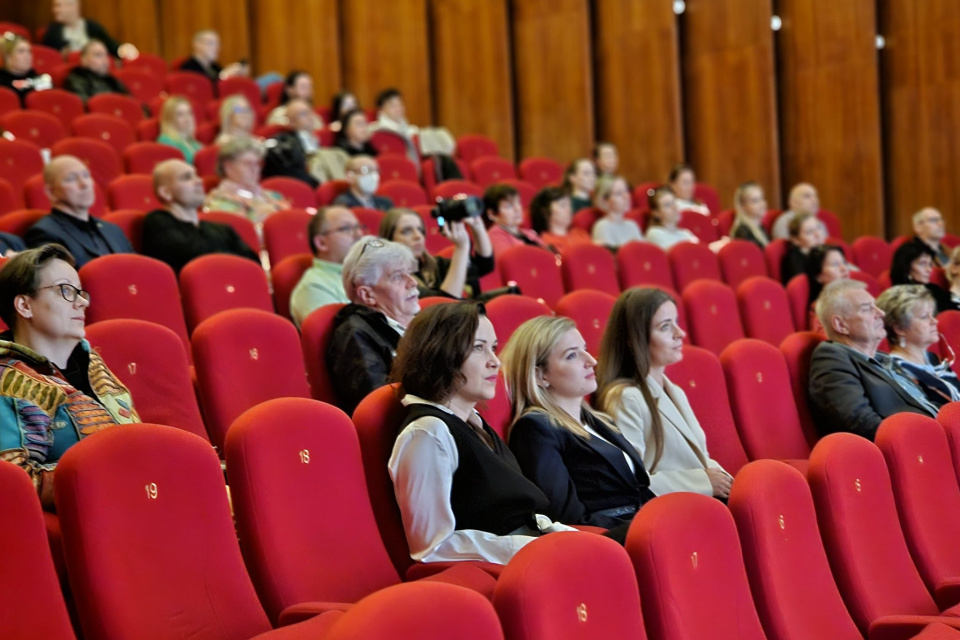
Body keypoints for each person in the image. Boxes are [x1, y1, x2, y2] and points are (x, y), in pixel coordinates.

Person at [389, 302, 578, 564]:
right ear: (441, 354)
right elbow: (432, 547)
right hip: (510, 568)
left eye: (494, 347)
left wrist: (563, 537)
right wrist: (529, 549)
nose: (495, 362)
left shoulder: (472, 421)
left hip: (532, 549)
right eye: (479, 348)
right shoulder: (427, 433)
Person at [0, 244, 140, 509]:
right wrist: (116, 475)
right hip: (94, 516)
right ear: (24, 305)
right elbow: (16, 481)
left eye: (80, 291)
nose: (82, 301)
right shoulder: (7, 377)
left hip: (136, 500)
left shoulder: (92, 361)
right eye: (65, 290)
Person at [501, 315, 655, 528]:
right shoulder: (535, 428)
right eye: (572, 355)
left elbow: (639, 490)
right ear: (540, 376)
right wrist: (647, 526)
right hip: (607, 538)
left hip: (641, 524)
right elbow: (566, 516)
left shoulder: (600, 421)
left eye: (585, 349)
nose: (592, 361)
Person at [596, 288, 732, 498]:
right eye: (665, 326)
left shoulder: (674, 390)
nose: (680, 333)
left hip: (699, 501)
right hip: (672, 510)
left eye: (676, 322)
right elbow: (628, 480)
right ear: (634, 339)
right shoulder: (625, 397)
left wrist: (721, 477)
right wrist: (703, 481)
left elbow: (697, 460)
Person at [809, 280, 938, 441]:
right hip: (911, 445)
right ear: (841, 324)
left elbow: (924, 404)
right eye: (867, 309)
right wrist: (917, 440)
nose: (881, 313)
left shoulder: (882, 358)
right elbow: (859, 422)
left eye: (876, 306)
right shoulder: (831, 356)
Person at [325, 236, 420, 414]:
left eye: (410, 273)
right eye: (397, 277)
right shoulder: (354, 334)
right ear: (367, 295)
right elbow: (379, 409)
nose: (413, 282)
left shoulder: (421, 320)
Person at [141, 160, 259, 274]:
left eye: (196, 175)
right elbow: (193, 258)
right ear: (165, 192)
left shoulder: (223, 230)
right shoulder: (157, 222)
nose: (199, 181)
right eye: (187, 177)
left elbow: (254, 265)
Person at [25, 156, 133, 268]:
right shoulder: (44, 232)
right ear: (51, 192)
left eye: (86, 175)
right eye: (71, 178)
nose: (84, 184)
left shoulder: (113, 229)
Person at [379, 208, 493, 299]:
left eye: (420, 230)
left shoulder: (436, 265)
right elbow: (445, 302)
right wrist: (462, 247)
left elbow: (484, 266)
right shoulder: (395, 280)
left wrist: (478, 226)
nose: (418, 236)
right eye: (407, 231)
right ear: (389, 239)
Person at [876, 284, 960, 408]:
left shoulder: (934, 359)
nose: (934, 321)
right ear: (899, 328)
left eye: (932, 315)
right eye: (925, 317)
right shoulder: (897, 371)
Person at [289, 206, 364, 327]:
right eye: (347, 228)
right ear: (321, 243)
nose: (358, 234)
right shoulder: (313, 287)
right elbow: (343, 340)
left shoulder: (368, 274)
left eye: (358, 227)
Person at [203, 137, 290, 225]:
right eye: (248, 164)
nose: (254, 169)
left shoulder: (274, 196)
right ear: (228, 167)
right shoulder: (218, 202)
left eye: (257, 163)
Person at [41, 0, 137, 59]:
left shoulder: (91, 26)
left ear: (73, 7)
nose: (54, 10)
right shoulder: (53, 31)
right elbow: (48, 56)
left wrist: (124, 48)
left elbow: (111, 45)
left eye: (58, 6)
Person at [261, 99, 321, 188]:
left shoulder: (319, 140)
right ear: (291, 122)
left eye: (310, 111)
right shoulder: (285, 143)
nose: (310, 116)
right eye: (304, 114)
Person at [890, 240, 958, 313]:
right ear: (906, 267)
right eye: (922, 264)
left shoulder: (933, 289)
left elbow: (954, 309)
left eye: (929, 264)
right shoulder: (899, 297)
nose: (929, 270)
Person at [484, 183, 548, 255]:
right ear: (492, 214)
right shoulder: (494, 236)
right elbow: (509, 261)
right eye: (509, 206)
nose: (517, 209)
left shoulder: (529, 233)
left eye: (518, 203)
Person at [63, 39, 130, 103]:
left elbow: (130, 102)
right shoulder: (76, 79)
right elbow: (87, 105)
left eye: (106, 55)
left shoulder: (112, 80)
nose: (104, 60)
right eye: (98, 55)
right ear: (84, 59)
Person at [529, 186, 590, 254]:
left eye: (569, 205)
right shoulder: (543, 243)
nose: (569, 210)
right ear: (545, 212)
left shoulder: (580, 233)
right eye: (563, 205)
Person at [369, 87, 419, 167]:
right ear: (381, 110)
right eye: (393, 105)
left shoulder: (413, 130)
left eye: (400, 104)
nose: (398, 108)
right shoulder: (373, 131)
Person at [805, 245, 850, 334]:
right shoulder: (820, 308)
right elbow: (827, 340)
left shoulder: (857, 296)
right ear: (818, 276)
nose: (844, 268)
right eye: (835, 264)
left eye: (844, 263)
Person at [591, 175, 642, 250]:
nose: (626, 196)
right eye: (618, 193)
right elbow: (609, 257)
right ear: (605, 201)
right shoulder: (602, 226)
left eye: (626, 191)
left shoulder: (632, 225)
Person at [179, 30, 248, 85]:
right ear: (197, 44)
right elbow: (204, 88)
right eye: (211, 43)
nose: (216, 48)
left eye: (217, 44)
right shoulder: (188, 67)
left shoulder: (214, 66)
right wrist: (225, 75)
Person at [0, 35, 52, 106]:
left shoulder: (42, 79)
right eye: (21, 51)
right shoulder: (2, 83)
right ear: (7, 56)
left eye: (29, 51)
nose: (27, 56)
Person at [644, 186, 698, 251]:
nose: (674, 207)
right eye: (667, 205)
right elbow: (674, 256)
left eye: (674, 202)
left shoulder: (685, 233)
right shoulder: (654, 233)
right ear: (656, 213)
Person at [156, 96, 202, 165]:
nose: (187, 118)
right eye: (180, 114)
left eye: (189, 113)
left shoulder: (193, 142)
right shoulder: (165, 140)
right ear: (169, 118)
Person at [780, 212, 824, 285]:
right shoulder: (793, 260)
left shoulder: (826, 251)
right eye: (809, 232)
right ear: (796, 240)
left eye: (818, 228)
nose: (818, 234)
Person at [729, 181, 769, 248]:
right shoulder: (742, 232)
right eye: (755, 201)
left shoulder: (760, 227)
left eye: (762, 198)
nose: (762, 204)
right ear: (743, 206)